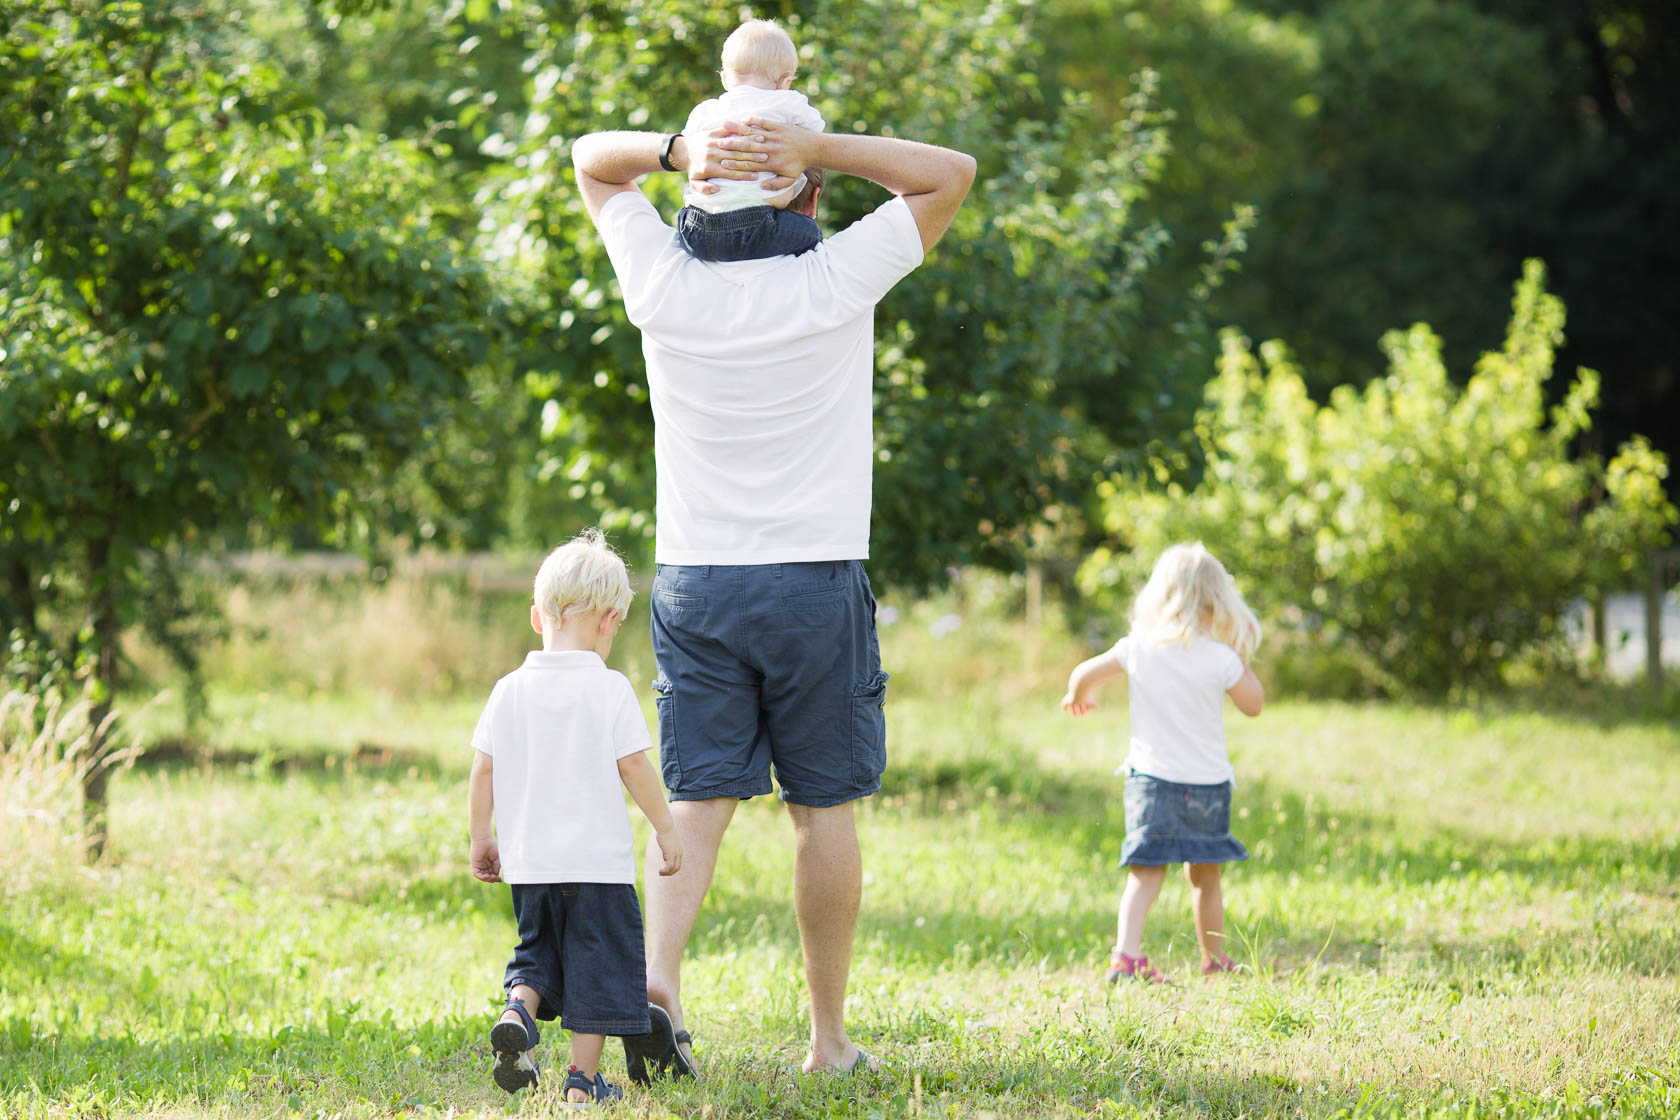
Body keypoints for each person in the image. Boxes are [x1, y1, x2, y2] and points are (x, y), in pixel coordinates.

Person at [571, 113, 974, 1076]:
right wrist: (819, 148)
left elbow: (592, 164)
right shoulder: (833, 276)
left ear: (696, 197)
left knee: (700, 798)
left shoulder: (661, 285)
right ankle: (827, 1043)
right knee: (822, 809)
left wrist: (678, 150)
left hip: (698, 579)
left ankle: (657, 982)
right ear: (809, 197)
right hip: (813, 579)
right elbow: (949, 174)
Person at [466, 529, 684, 1103]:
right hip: (599, 868)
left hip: (531, 863)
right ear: (610, 620)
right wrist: (666, 828)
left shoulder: (507, 690)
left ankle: (518, 1011)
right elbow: (635, 765)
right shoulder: (609, 688)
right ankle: (582, 1085)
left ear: (538, 618)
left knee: (536, 952)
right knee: (597, 968)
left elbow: (483, 770)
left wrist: (481, 837)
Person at [1060, 542, 1265, 983]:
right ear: (1217, 600)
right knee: (1206, 878)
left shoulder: (1139, 647)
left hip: (1151, 781)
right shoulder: (1220, 656)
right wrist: (1241, 661)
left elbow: (1083, 673)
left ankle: (1126, 956)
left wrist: (1080, 696)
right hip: (1207, 785)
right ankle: (1215, 959)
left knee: (1145, 872)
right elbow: (1253, 705)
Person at [676, 18, 826, 262]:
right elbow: (817, 139)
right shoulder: (788, 102)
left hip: (695, 229)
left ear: (724, 78)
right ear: (785, 82)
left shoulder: (706, 111)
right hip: (760, 226)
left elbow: (687, 146)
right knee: (810, 232)